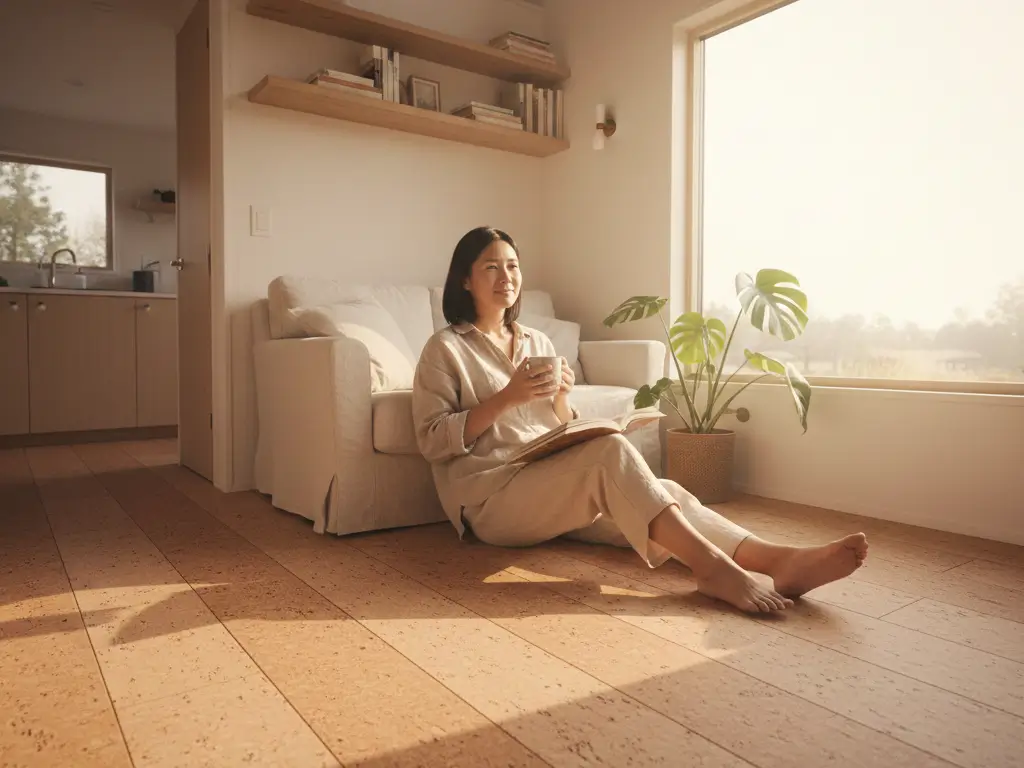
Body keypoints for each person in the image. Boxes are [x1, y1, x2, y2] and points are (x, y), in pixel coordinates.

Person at [412, 226, 868, 614]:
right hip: (491, 501)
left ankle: (778, 560)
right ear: (466, 280)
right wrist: (506, 398)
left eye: (512, 266)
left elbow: (556, 426)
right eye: (490, 267)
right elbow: (432, 441)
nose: (505, 276)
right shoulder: (445, 348)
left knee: (662, 492)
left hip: (545, 485)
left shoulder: (537, 342)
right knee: (609, 454)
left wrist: (564, 401)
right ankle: (712, 569)